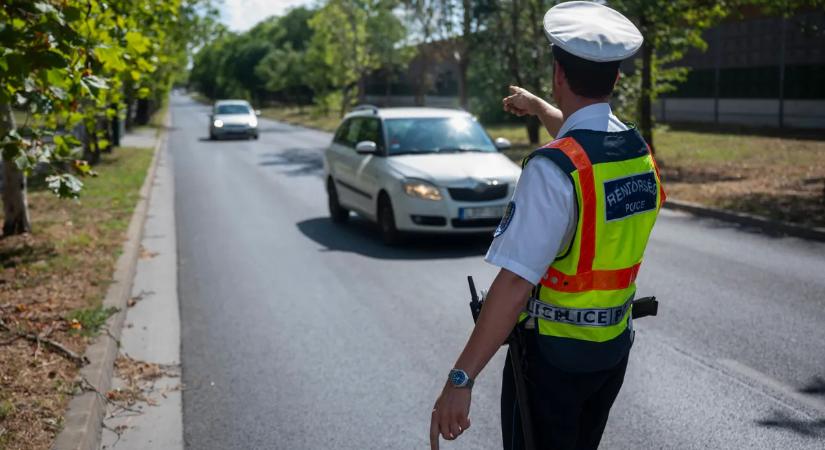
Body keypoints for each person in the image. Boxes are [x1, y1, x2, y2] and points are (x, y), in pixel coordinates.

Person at [429, 2, 666, 449]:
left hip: (553, 360)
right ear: (616, 79)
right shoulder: (636, 150)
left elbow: (516, 282)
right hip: (612, 348)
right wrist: (540, 107)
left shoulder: (553, 170)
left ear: (559, 73)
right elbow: (587, 138)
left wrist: (460, 379)